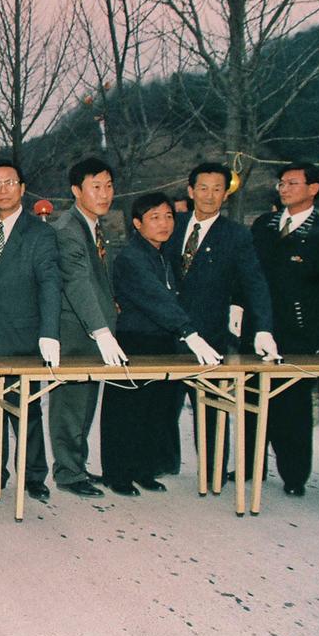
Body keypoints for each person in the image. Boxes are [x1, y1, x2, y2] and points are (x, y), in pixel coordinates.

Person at [163, 163, 277, 478]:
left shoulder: (236, 235)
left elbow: (255, 283)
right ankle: (161, 464)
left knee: (211, 407)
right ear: (190, 191)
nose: (210, 195)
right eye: (203, 188)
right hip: (165, 332)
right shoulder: (171, 224)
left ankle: (213, 469)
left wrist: (264, 328)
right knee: (161, 404)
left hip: (210, 335)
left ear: (225, 194)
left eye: (217, 189)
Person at [107, 193, 223, 496]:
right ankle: (118, 474)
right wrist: (189, 332)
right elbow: (156, 298)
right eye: (154, 217)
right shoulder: (131, 257)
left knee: (155, 410)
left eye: (169, 216)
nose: (164, 223)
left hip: (162, 340)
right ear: (137, 223)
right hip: (135, 341)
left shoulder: (164, 253)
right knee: (127, 410)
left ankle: (145, 470)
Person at [0, 160, 60, 501]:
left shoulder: (41, 233)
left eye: (10, 182)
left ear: (22, 188)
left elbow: (50, 284)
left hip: (24, 336)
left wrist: (49, 332)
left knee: (27, 411)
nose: (3, 189)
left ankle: (34, 476)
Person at [248, 162, 319, 497]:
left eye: (293, 183)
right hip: (260, 326)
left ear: (313, 189)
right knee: (260, 401)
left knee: (295, 406)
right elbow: (248, 271)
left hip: (303, 332)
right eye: (281, 183)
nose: (284, 188)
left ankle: (294, 476)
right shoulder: (263, 226)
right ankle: (252, 466)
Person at [50, 158, 125, 499]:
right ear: (76, 190)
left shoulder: (92, 225)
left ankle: (76, 466)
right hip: (76, 332)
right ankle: (68, 472)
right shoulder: (68, 228)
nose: (105, 193)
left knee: (85, 404)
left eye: (108, 186)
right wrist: (101, 330)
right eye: (96, 186)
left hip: (92, 332)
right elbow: (77, 282)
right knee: (70, 405)